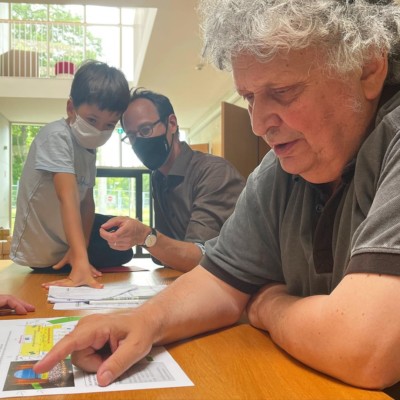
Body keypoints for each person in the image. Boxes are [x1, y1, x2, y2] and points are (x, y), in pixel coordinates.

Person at [34, 0, 400, 389]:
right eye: (250, 98)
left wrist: (266, 304)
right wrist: (143, 321)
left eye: (284, 91)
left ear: (368, 67)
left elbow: (364, 347)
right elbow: (220, 281)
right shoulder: (277, 174)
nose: (258, 125)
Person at [10, 60, 132, 289]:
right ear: (70, 108)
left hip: (67, 238)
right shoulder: (56, 136)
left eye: (109, 125)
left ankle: (76, 256)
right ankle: (72, 261)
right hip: (42, 249)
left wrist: (82, 250)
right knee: (115, 243)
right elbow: (68, 198)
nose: (98, 130)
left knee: (121, 238)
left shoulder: (88, 147)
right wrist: (80, 261)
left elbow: (86, 202)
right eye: (92, 120)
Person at [98, 88, 245, 272]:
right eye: (132, 136)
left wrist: (144, 236)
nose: (139, 142)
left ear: (172, 123)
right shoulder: (158, 177)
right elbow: (166, 258)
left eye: (145, 130)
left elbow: (202, 259)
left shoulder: (214, 172)